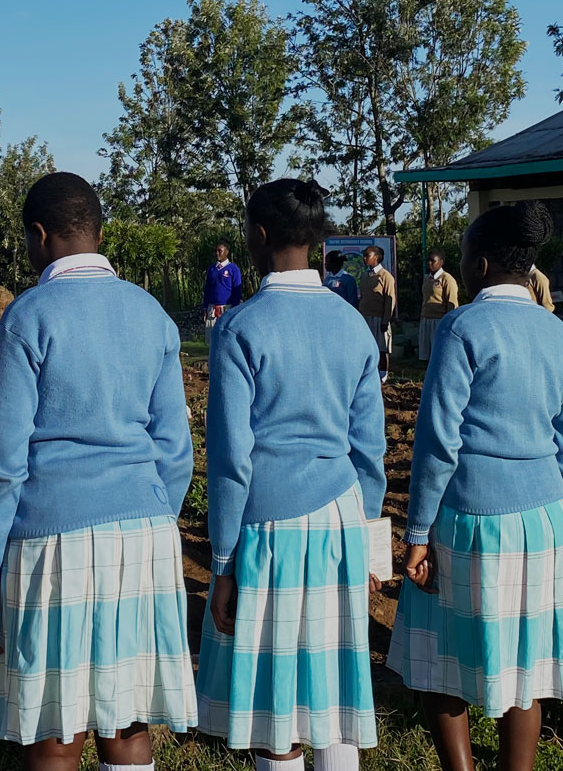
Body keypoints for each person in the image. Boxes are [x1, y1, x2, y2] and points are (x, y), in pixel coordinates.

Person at [0, 172, 196, 769]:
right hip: (145, 532)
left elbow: (2, 462)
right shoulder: (151, 313)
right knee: (126, 717)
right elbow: (174, 448)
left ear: (39, 237)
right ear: (97, 230)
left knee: (58, 729)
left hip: (53, 540)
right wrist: (150, 512)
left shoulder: (28, 316)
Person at [389, 201, 563, 771]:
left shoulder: (462, 328)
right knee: (522, 667)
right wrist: (561, 521)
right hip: (550, 516)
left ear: (479, 265)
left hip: (471, 516)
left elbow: (437, 443)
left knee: (438, 655)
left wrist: (417, 532)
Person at [197, 180, 386, 769]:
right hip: (339, 519)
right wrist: (370, 539)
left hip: (267, 530)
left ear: (257, 236)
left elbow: (232, 461)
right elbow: (369, 448)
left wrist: (222, 564)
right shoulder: (352, 324)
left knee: (278, 708)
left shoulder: (240, 328)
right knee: (329, 687)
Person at [357, 246, 396, 378]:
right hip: (365, 318)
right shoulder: (365, 276)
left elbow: (390, 301)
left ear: (376, 257)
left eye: (367, 255)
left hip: (379, 319)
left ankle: (383, 375)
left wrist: (385, 320)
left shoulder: (386, 277)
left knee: (381, 348)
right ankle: (368, 374)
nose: (364, 258)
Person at [418, 251, 459, 362]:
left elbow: (452, 302)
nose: (430, 263)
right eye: (428, 261)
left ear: (441, 262)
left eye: (433, 261)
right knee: (426, 355)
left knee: (439, 354)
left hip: (439, 321)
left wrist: (449, 324)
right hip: (426, 318)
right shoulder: (427, 278)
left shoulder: (447, 279)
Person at [204, 241, 243, 327]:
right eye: (215, 251)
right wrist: (205, 307)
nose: (217, 253)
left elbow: (237, 290)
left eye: (220, 251)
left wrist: (234, 309)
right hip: (212, 309)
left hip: (227, 308)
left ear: (227, 252)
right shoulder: (211, 269)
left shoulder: (233, 269)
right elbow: (207, 289)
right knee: (211, 337)